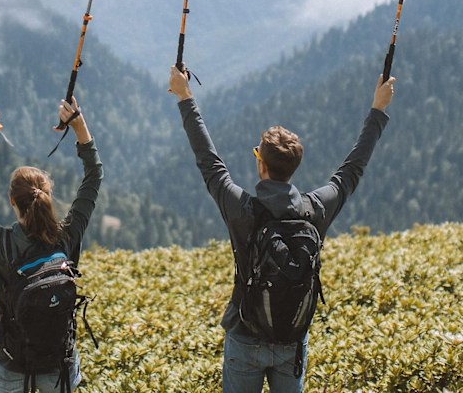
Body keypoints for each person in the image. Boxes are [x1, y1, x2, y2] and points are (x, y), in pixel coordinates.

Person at [168, 66, 395, 393]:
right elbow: (350, 172)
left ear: (260, 164)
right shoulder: (314, 210)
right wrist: (378, 108)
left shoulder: (244, 210)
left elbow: (210, 162)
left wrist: (185, 96)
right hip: (292, 337)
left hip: (245, 335)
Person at [0, 96, 103, 393]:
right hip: (58, 358)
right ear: (48, 196)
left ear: (12, 201)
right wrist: (78, 123)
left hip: (10, 358)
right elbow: (94, 175)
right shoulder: (67, 236)